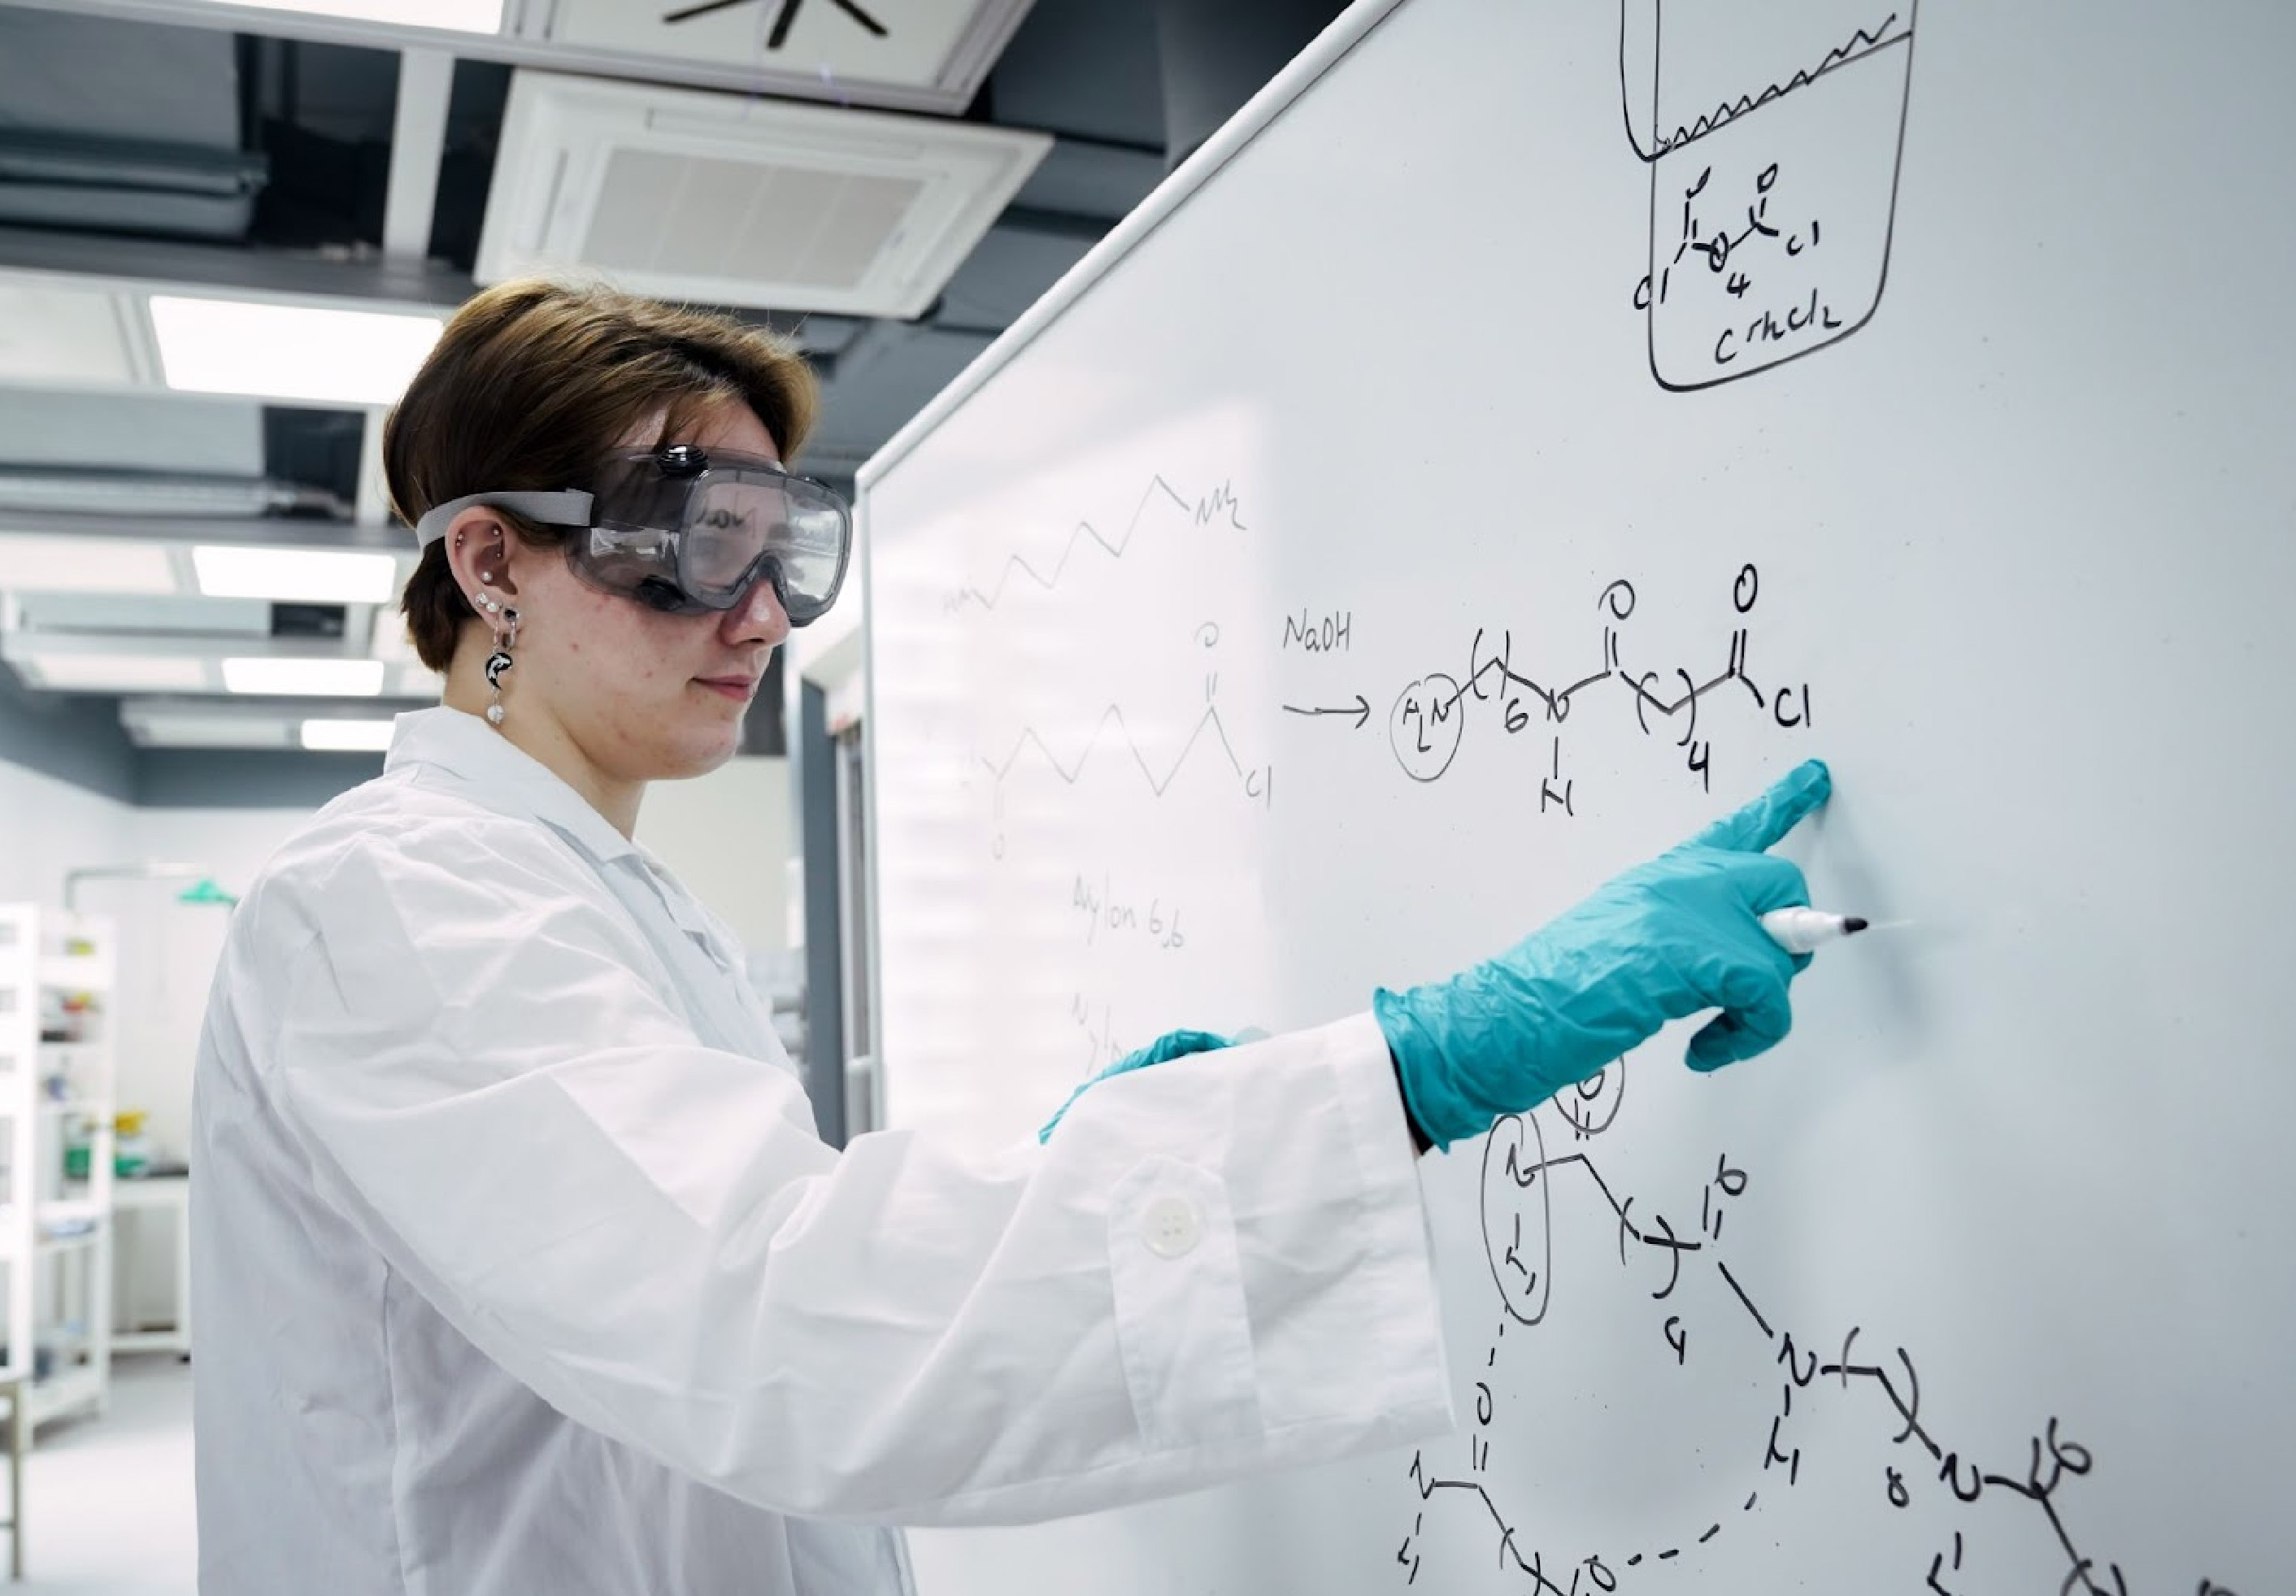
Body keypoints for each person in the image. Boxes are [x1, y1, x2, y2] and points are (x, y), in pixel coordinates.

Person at [189, 277, 1835, 1596]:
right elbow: (772, 1321)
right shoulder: (398, 901)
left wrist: (1066, 1175)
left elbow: (717, 1259)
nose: (760, 618)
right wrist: (1420, 1063)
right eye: (700, 549)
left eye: (781, 558)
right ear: (492, 563)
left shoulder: (594, 901)